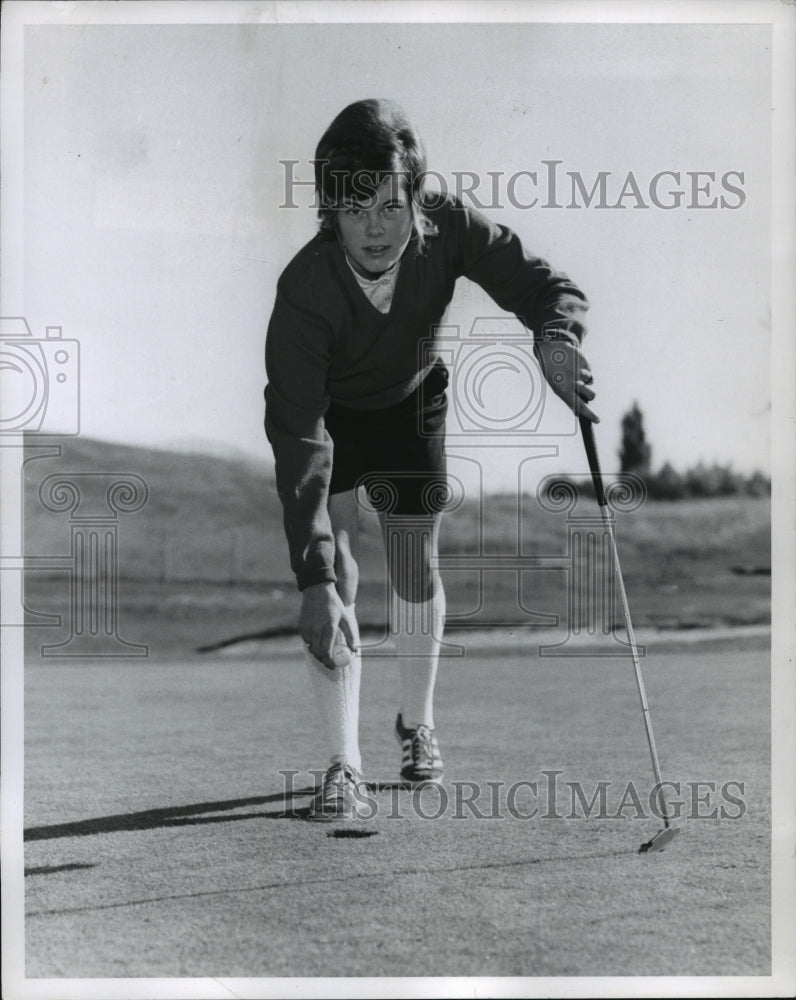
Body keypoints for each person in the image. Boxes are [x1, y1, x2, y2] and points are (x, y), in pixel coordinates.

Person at [264, 98, 597, 820]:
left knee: (414, 559)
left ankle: (417, 724)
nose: (375, 228)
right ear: (330, 212)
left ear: (416, 195)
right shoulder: (303, 292)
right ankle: (343, 765)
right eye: (354, 211)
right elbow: (297, 436)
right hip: (330, 416)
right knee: (339, 571)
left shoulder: (451, 228)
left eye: (389, 205)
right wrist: (313, 575)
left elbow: (546, 286)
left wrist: (556, 339)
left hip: (413, 396)